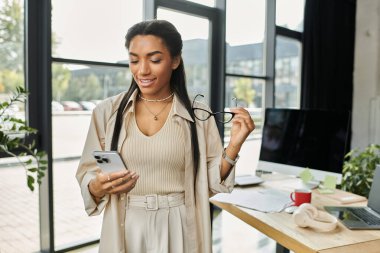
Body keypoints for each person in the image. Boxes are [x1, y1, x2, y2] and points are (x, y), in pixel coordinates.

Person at [76, 19, 255, 253]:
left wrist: (234, 145)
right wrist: (97, 187)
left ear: (175, 60)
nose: (142, 70)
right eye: (134, 60)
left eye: (155, 59)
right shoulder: (107, 112)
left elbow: (210, 182)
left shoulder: (198, 113)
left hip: (178, 224)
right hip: (127, 223)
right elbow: (87, 173)